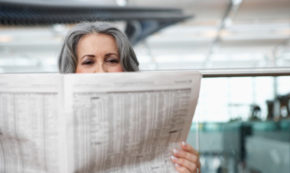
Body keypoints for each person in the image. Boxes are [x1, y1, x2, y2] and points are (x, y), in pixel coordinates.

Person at [58, 21, 201, 173]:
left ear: (126, 68)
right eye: (88, 62)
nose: (101, 71)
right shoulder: (59, 131)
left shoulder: (158, 125)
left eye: (112, 60)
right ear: (72, 72)